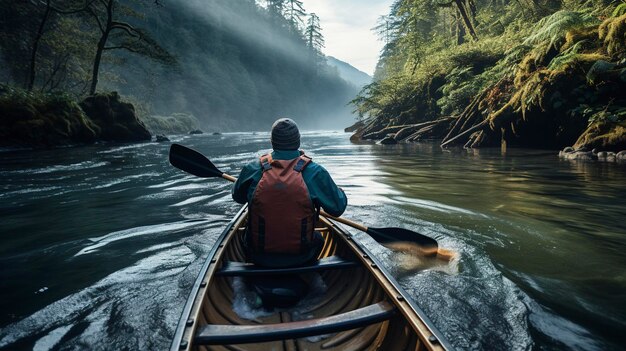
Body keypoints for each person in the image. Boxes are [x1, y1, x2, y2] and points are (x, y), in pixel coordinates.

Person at [232, 118, 347, 268]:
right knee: (318, 238)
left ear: (272, 142)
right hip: (302, 256)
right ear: (298, 141)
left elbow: (238, 197)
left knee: (245, 235)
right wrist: (341, 193)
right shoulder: (315, 172)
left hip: (258, 255)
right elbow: (338, 209)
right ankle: (309, 277)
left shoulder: (253, 168)